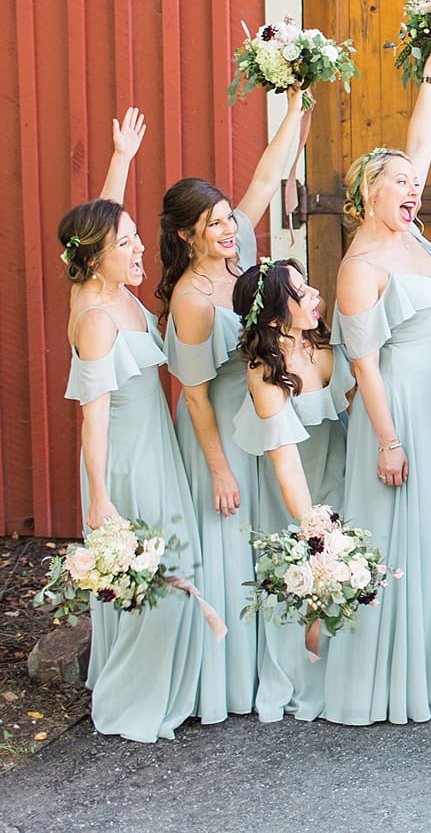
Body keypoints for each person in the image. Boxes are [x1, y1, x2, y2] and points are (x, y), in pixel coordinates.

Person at [323, 40, 431, 725]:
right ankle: (384, 678)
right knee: (396, 534)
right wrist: (386, 440)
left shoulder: (410, 239)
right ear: (364, 194)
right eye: (398, 184)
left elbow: (417, 142)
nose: (412, 191)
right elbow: (362, 366)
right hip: (396, 408)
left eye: (415, 184)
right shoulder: (361, 265)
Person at [159, 87, 309, 724]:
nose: (229, 228)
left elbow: (269, 173)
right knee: (228, 541)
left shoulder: (239, 257)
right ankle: (226, 681)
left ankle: (270, 663)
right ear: (189, 235)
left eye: (228, 217)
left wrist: (298, 97)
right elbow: (193, 396)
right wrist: (218, 468)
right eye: (214, 222)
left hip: (255, 416)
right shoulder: (193, 299)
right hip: (216, 429)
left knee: (264, 536)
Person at [58, 108, 202, 743]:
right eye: (128, 242)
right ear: (96, 257)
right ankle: (126, 699)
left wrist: (119, 158)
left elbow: (104, 219)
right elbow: (90, 420)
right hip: (127, 463)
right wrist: (102, 499)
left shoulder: (114, 288)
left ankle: (168, 688)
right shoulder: (95, 316)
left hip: (158, 449)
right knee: (149, 582)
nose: (140, 247)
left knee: (174, 569)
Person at [231, 258, 352, 722]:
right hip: (293, 495)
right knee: (299, 578)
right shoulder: (266, 373)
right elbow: (286, 466)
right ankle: (301, 673)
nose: (316, 295)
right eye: (303, 292)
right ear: (278, 316)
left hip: (335, 475)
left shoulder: (322, 351)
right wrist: (313, 531)